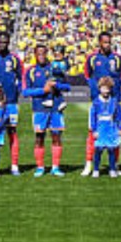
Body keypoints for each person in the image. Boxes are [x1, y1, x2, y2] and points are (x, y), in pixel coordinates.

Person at [81, 31, 121, 176]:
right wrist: (95, 92)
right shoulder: (92, 58)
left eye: (109, 42)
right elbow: (87, 75)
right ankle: (89, 164)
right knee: (92, 133)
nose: (107, 45)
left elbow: (120, 77)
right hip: (97, 101)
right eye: (104, 42)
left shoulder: (117, 58)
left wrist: (117, 97)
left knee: (115, 134)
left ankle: (115, 166)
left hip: (113, 101)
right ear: (99, 43)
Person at [23, 44, 70, 176]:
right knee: (39, 138)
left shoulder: (55, 68)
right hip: (39, 109)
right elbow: (25, 92)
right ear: (35, 55)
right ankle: (40, 167)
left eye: (44, 53)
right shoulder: (30, 71)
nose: (42, 56)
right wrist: (43, 90)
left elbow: (67, 87)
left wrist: (57, 85)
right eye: (39, 54)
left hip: (55, 109)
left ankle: (55, 167)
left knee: (56, 137)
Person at [0, 31, 24, 175]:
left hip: (11, 102)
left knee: (12, 132)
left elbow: (21, 78)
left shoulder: (14, 59)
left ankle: (14, 165)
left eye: (5, 42)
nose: (3, 44)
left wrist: (16, 92)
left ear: (9, 43)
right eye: (0, 42)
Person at [88, 76, 121, 178]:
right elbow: (93, 117)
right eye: (103, 88)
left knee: (111, 149)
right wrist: (94, 129)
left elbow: (119, 116)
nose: (106, 91)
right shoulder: (95, 102)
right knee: (98, 150)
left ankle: (112, 169)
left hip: (111, 128)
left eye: (108, 88)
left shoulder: (114, 102)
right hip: (100, 128)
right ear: (99, 89)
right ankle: (96, 169)